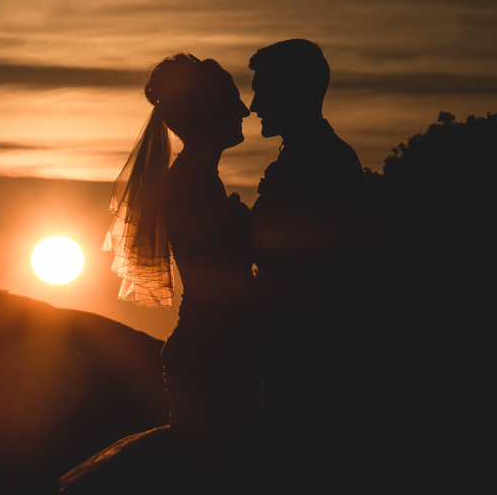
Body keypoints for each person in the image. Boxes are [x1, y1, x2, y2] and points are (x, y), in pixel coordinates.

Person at [64, 54, 261, 492]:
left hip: (213, 342)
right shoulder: (191, 181)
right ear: (207, 113)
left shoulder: (197, 177)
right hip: (214, 348)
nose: (245, 110)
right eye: (233, 101)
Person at [248, 39, 376, 482]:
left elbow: (317, 261)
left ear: (294, 91)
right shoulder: (307, 155)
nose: (254, 104)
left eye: (263, 90)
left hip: (314, 363)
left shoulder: (324, 161)